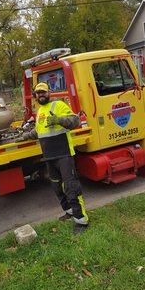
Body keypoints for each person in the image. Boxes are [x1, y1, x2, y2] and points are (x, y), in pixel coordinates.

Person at [16, 82, 89, 234]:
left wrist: (59, 120)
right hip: (49, 157)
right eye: (38, 93)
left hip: (64, 155)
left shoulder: (59, 105)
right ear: (35, 96)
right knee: (57, 187)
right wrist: (24, 137)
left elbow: (75, 121)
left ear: (49, 93)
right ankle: (69, 211)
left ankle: (81, 220)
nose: (41, 95)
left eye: (43, 92)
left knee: (71, 188)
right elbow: (38, 132)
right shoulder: (40, 111)